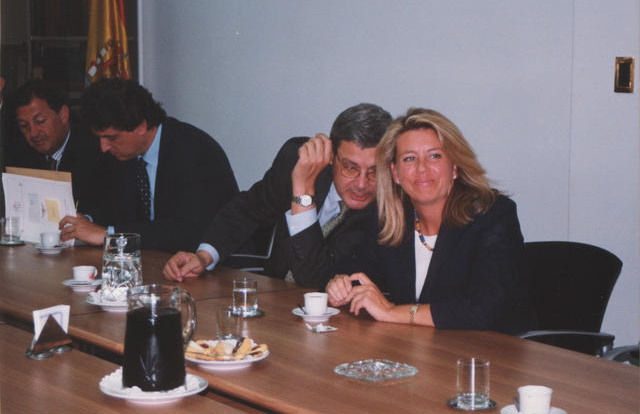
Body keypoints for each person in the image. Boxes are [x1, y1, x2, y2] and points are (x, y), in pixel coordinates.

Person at [326, 108, 537, 333]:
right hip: (422, 348)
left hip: (494, 350)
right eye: (409, 159)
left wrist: (392, 312)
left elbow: (484, 310)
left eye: (434, 156)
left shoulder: (493, 215)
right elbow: (358, 273)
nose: (422, 168)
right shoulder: (390, 218)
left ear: (454, 167)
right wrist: (341, 285)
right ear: (395, 173)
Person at [162, 103, 392, 288]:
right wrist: (204, 256)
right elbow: (249, 209)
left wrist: (303, 191)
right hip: (275, 297)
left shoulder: (388, 211)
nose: (362, 184)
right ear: (331, 156)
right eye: (350, 168)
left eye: (375, 171)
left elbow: (313, 279)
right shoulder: (296, 160)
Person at [59, 78, 239, 253]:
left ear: (141, 126)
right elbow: (112, 207)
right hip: (153, 261)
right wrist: (86, 221)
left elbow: (188, 231)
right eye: (100, 137)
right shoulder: (123, 153)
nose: (103, 147)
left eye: (111, 137)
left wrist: (110, 235)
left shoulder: (195, 151)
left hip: (215, 264)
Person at [9, 80, 104, 213]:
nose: (33, 133)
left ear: (63, 115)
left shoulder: (96, 151)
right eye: (24, 126)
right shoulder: (19, 154)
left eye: (40, 121)